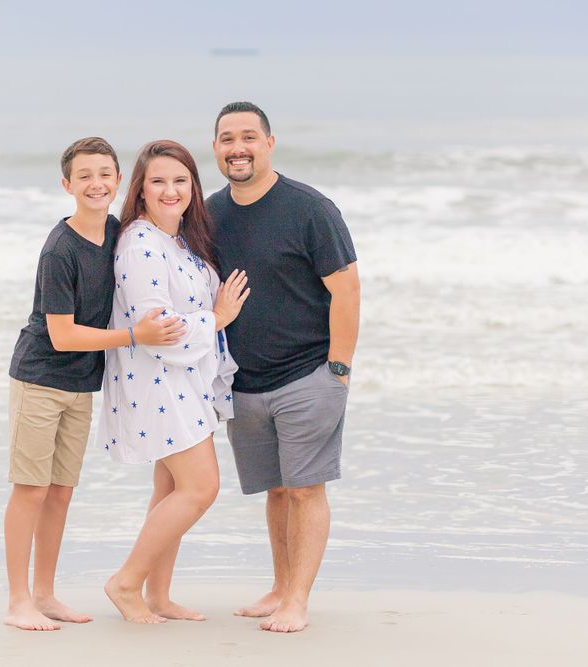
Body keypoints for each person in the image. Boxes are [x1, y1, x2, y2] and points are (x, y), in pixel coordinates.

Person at [4, 137, 184, 631]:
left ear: (119, 180)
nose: (96, 183)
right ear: (68, 185)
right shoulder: (60, 250)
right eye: (84, 176)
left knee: (61, 492)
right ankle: (18, 601)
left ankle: (45, 595)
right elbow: (62, 336)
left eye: (105, 174)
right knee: (31, 490)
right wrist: (135, 336)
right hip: (40, 379)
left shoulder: (116, 232)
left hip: (82, 384)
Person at [207, 102, 361, 633]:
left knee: (305, 488)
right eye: (228, 139)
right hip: (243, 382)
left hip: (308, 374)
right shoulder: (210, 214)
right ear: (215, 149)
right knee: (275, 490)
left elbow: (346, 290)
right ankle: (279, 588)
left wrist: (338, 369)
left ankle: (297, 600)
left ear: (269, 143)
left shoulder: (310, 209)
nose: (238, 148)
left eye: (249, 137)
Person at [97, 140, 249, 624]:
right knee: (201, 487)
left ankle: (158, 595)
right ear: (140, 190)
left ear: (193, 187)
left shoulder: (181, 239)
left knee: (170, 489)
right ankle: (125, 583)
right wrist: (217, 317)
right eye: (158, 181)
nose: (170, 190)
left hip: (187, 380)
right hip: (158, 380)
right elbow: (157, 329)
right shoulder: (140, 243)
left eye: (180, 180)